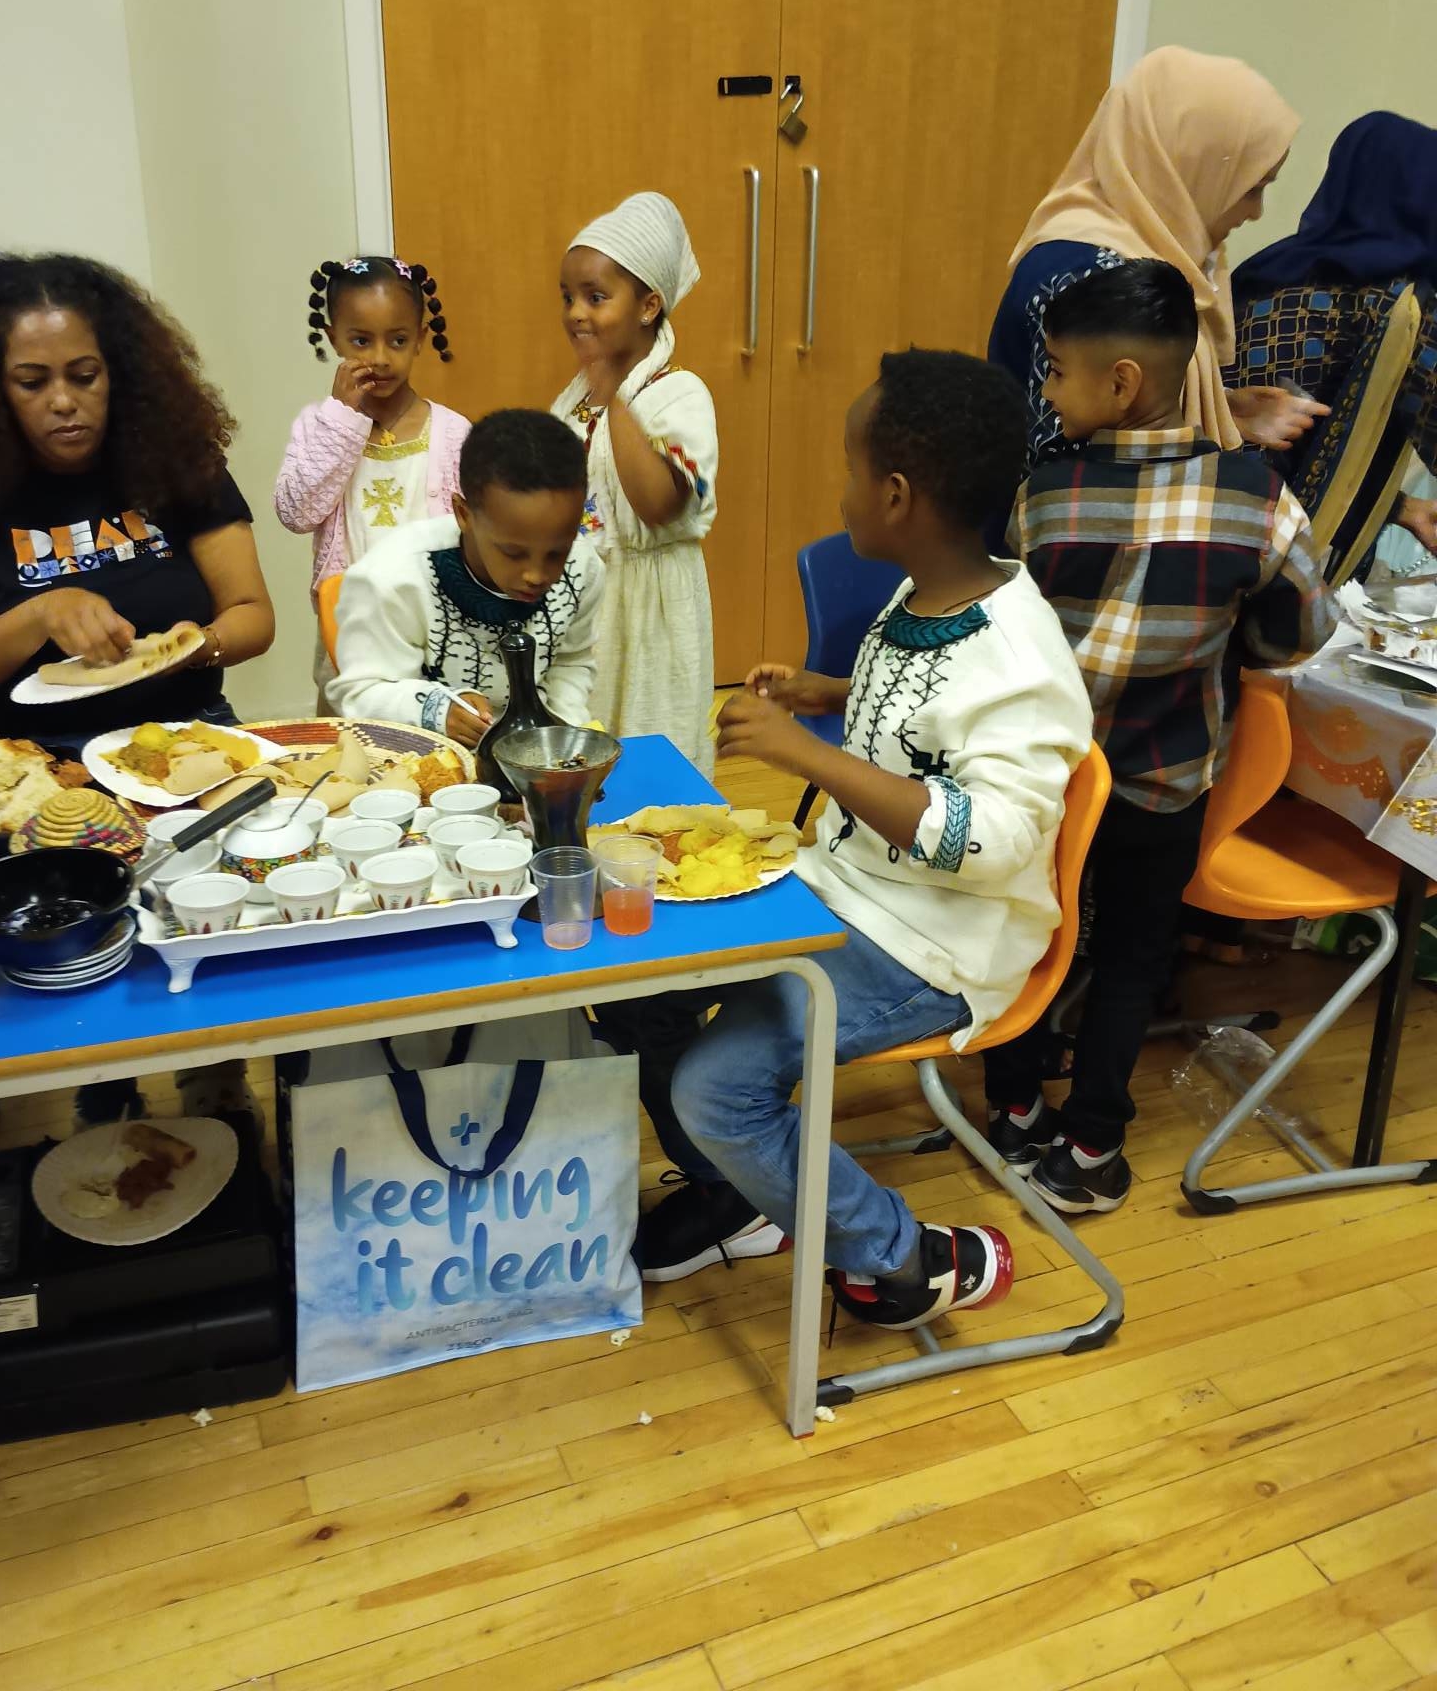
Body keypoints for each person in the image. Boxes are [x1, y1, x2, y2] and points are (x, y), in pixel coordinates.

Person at [621, 350, 1093, 1331]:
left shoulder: (1019, 655)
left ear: (897, 495)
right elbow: (922, 724)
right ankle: (741, 1194)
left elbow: (994, 840)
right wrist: (827, 694)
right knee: (642, 978)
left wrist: (807, 754)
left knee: (716, 1090)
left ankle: (905, 1255)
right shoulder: (925, 592)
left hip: (941, 945)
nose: (839, 491)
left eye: (849, 470)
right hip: (848, 889)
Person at [992, 260, 1336, 1213]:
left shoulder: (1042, 495)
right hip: (1166, 778)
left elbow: (1007, 626)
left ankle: (1014, 1107)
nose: (1048, 390)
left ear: (1121, 383)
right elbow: (1300, 636)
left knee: (1033, 933)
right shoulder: (1257, 498)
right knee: (1135, 957)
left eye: (1057, 370)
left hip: (1052, 776)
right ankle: (1090, 1145)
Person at [0, 252, 276, 1129]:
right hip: (34, 768)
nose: (64, 401)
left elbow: (251, 615)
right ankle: (97, 1082)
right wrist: (39, 614)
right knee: (60, 928)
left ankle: (214, 1081)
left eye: (84, 376)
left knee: (215, 901)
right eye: (33, 382)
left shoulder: (175, 460)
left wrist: (183, 650)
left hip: (186, 738)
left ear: (120, 370)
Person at [988, 46, 1321, 476]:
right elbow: (1065, 460)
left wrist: (1223, 409)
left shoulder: (1141, 251)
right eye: (1251, 188)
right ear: (1191, 167)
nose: (1255, 212)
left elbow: (1112, 419)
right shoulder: (1088, 275)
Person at [1230, 112, 1437, 581]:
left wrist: (1399, 506)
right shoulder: (1400, 301)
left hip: (1207, 530)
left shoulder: (1269, 271)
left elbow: (1301, 439)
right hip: (1279, 568)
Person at [551, 191, 717, 775]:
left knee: (651, 758)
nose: (576, 313)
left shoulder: (679, 394)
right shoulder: (574, 399)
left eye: (595, 297)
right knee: (583, 751)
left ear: (648, 306)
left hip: (651, 611)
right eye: (568, 297)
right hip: (586, 601)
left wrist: (615, 400)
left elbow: (659, 506)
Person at [330, 409, 603, 743]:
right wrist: (435, 710)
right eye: (513, 553)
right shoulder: (393, 578)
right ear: (463, 514)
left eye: (556, 552)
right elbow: (359, 694)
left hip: (538, 752)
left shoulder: (583, 567)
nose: (536, 575)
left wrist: (563, 736)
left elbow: (571, 662)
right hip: (425, 754)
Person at [275, 256, 468, 709]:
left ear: (420, 338)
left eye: (397, 340)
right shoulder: (320, 426)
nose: (380, 358)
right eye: (361, 341)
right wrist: (343, 418)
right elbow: (296, 512)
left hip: (433, 639)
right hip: (349, 640)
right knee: (352, 743)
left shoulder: (454, 433)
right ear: (333, 339)